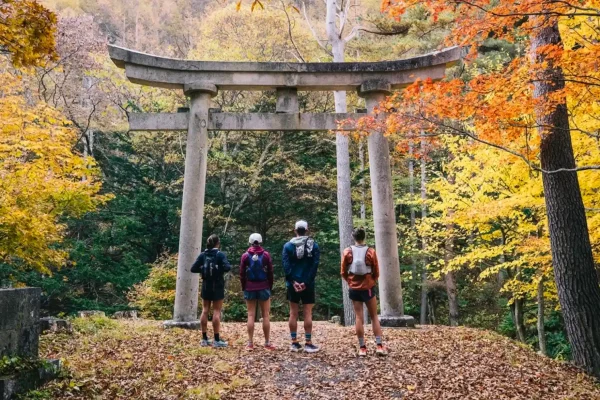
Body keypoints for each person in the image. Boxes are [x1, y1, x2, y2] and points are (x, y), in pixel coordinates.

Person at [341, 227, 388, 357]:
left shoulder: (347, 251)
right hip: (368, 287)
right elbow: (376, 271)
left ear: (353, 237)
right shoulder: (371, 252)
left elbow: (343, 271)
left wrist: (350, 281)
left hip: (354, 288)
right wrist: (372, 281)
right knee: (374, 316)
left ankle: (362, 347)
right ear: (364, 237)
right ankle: (379, 345)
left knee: (358, 317)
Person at [282, 220, 320, 353]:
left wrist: (293, 282)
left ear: (295, 230)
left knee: (293, 313)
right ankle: (308, 343)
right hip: (308, 284)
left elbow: (286, 266)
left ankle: (294, 342)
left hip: (293, 285)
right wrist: (306, 282)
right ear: (307, 230)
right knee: (307, 313)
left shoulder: (287, 246)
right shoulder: (313, 246)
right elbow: (314, 266)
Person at [191, 234, 231, 348]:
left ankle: (204, 338)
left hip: (205, 285)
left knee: (205, 310)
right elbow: (227, 267)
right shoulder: (220, 254)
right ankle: (217, 339)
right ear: (218, 243)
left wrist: (203, 269)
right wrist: (219, 269)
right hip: (217, 285)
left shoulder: (203, 255)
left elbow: (193, 268)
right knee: (216, 311)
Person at [240, 233, 275, 351]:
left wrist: (244, 286)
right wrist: (269, 286)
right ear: (260, 241)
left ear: (250, 242)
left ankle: (250, 343)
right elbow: (270, 272)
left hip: (250, 287)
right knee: (265, 315)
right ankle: (267, 342)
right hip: (264, 286)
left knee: (250, 315)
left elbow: (242, 273)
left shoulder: (245, 256)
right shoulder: (266, 255)